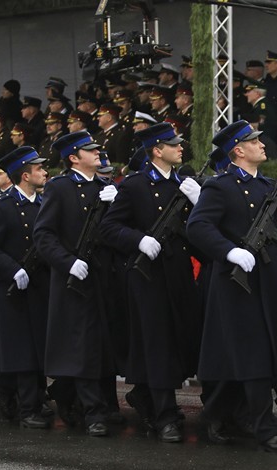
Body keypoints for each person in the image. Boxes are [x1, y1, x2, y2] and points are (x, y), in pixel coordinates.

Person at [186, 120, 277, 453]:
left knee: (247, 355)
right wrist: (229, 251)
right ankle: (265, 429)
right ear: (238, 150)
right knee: (254, 356)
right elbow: (197, 227)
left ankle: (215, 414)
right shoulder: (220, 186)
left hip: (267, 281)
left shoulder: (269, 186)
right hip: (236, 285)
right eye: (254, 141)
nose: (262, 144)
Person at [101, 122, 202, 442]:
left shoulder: (185, 184)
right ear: (157, 150)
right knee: (157, 345)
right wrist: (138, 240)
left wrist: (199, 201)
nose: (180, 148)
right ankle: (165, 415)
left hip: (178, 274)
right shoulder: (135, 185)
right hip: (148, 277)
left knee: (177, 341)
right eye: (173, 145)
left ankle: (144, 394)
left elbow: (199, 228)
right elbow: (108, 228)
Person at [33, 130, 118, 437]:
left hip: (102, 276)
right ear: (73, 158)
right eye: (90, 150)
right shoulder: (59, 187)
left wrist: (115, 206)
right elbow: (43, 235)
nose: (98, 153)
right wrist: (68, 261)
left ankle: (73, 398)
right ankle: (94, 412)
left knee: (99, 346)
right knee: (80, 347)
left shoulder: (105, 187)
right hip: (74, 278)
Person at [0, 146, 50, 429]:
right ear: (25, 174)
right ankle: (28, 408)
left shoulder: (43, 203)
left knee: (36, 347)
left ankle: (11, 389)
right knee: (22, 350)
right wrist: (12, 269)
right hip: (13, 290)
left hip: (40, 286)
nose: (44, 172)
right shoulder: (2, 205)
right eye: (39, 168)